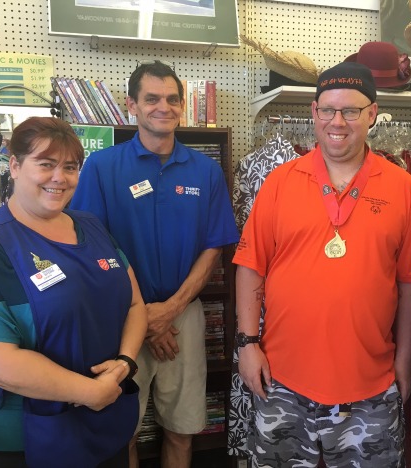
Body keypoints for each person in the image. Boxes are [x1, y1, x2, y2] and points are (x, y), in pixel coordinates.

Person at [234, 61, 411, 467]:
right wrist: (247, 344)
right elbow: (251, 265)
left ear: (372, 113)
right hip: (282, 381)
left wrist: (404, 359)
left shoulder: (403, 187)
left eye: (351, 111)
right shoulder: (280, 182)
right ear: (314, 112)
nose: (337, 122)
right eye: (328, 110)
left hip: (370, 383)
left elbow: (410, 283)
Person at [0, 117, 148, 468]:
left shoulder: (91, 226)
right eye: (46, 164)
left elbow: (135, 303)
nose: (59, 177)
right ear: (16, 166)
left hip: (99, 422)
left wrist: (125, 362)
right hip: (7, 441)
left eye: (70, 167)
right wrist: (91, 391)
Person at [70, 60, 239, 468]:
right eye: (151, 99)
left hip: (185, 315)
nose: (162, 107)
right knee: (122, 433)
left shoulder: (206, 170)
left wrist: (171, 310)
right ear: (132, 105)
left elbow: (214, 248)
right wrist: (144, 317)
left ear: (182, 106)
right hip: (121, 318)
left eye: (171, 99)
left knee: (183, 430)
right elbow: (95, 249)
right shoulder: (102, 167)